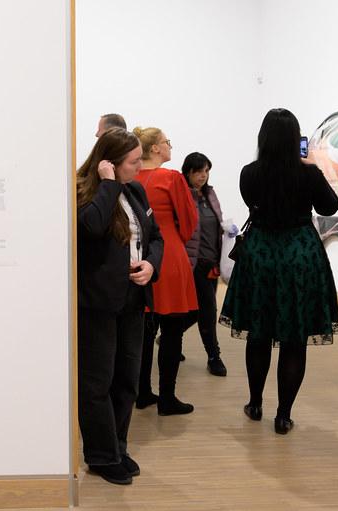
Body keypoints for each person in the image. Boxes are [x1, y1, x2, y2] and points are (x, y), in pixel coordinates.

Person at [220, 109, 338, 434]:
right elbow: (329, 206)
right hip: (299, 254)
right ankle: (283, 416)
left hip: (260, 254)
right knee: (294, 339)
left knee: (258, 333)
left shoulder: (249, 173)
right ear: (293, 139)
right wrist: (313, 172)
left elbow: (252, 203)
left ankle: (255, 403)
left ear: (263, 138)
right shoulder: (308, 174)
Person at [76, 128, 164, 485]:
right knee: (97, 381)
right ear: (109, 163)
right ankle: (100, 455)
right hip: (98, 302)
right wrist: (109, 185)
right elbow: (93, 227)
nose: (140, 167)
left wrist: (151, 264)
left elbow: (155, 236)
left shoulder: (136, 191)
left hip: (133, 297)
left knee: (127, 378)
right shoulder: (84, 191)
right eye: (133, 162)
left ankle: (117, 447)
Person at [132, 126, 199, 415]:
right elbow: (189, 220)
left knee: (145, 330)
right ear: (155, 148)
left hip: (139, 256)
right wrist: (174, 238)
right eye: (166, 142)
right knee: (172, 330)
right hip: (169, 255)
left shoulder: (132, 177)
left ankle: (142, 392)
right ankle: (168, 398)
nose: (170, 146)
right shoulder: (171, 178)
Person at [182, 152, 227, 377]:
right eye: (198, 171)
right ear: (188, 172)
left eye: (206, 171)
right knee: (208, 310)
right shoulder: (182, 195)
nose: (203, 175)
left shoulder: (210, 194)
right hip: (193, 262)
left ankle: (171, 334)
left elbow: (217, 223)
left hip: (212, 262)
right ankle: (214, 357)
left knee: (194, 310)